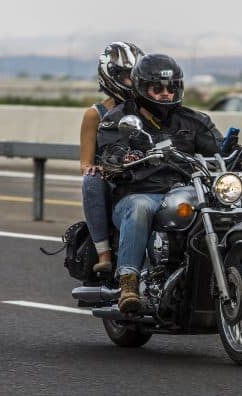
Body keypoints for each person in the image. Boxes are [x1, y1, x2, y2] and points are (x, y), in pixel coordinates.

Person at [97, 53, 242, 313]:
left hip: (187, 190)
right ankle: (128, 282)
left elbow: (218, 149)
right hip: (139, 192)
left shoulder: (194, 120)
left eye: (171, 87)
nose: (166, 93)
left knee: (227, 205)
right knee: (140, 207)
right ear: (142, 88)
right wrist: (123, 157)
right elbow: (110, 152)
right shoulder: (120, 119)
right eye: (158, 88)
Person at [79, 41, 144, 273]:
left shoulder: (150, 110)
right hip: (113, 177)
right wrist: (96, 168)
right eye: (128, 76)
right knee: (90, 181)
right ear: (111, 76)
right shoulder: (95, 115)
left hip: (147, 173)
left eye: (137, 75)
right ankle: (104, 253)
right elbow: (85, 162)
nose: (133, 82)